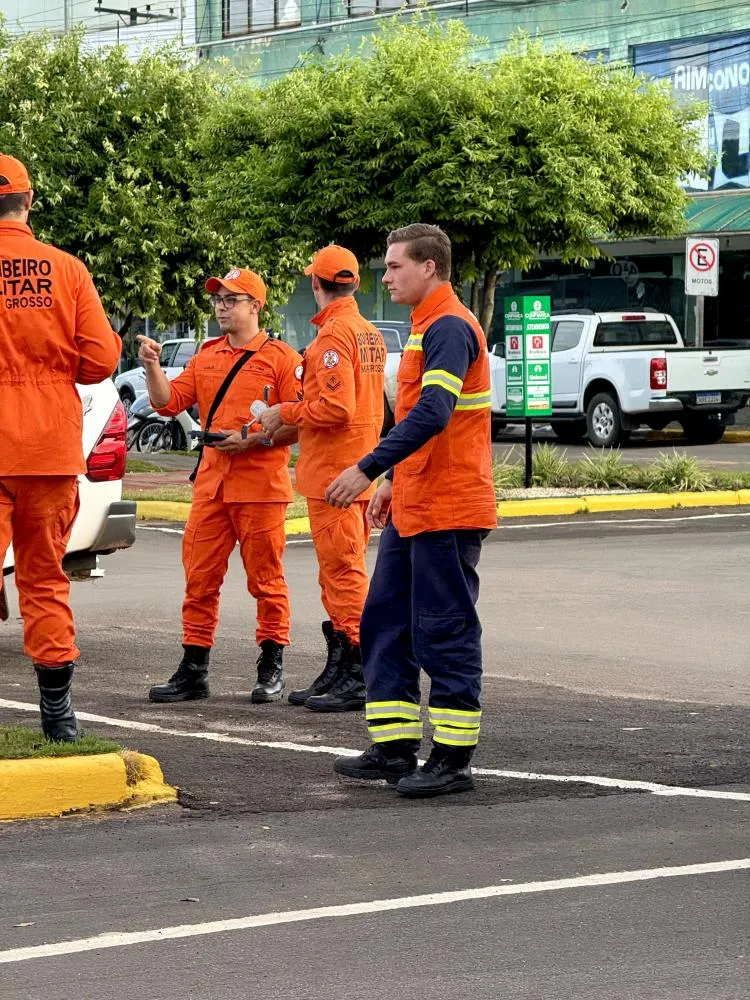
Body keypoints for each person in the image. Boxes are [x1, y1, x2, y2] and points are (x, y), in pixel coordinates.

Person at [325, 224, 497, 798]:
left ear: (429, 268)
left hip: (448, 507)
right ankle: (394, 747)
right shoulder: (427, 326)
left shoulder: (449, 327)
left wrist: (369, 467)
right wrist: (394, 481)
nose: (387, 276)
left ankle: (452, 760)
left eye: (396, 266)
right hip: (417, 503)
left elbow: (435, 412)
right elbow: (417, 417)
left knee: (443, 629)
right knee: (385, 622)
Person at [0, 152, 121, 741]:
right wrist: (51, 370)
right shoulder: (67, 270)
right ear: (28, 202)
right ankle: (58, 716)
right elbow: (100, 358)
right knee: (44, 578)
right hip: (49, 445)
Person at [144, 268, 302, 705]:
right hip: (211, 487)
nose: (221, 306)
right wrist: (152, 366)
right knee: (199, 580)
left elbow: (300, 422)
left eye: (232, 299)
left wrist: (253, 438)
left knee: (266, 581)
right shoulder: (206, 355)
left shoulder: (281, 358)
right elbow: (166, 402)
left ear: (256, 306)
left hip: (260, 488)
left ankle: (271, 665)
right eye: (218, 299)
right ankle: (194, 669)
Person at [259, 245, 386, 712]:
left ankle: (357, 671)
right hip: (355, 469)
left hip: (335, 476)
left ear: (316, 284)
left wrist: (285, 412)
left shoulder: (334, 335)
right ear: (355, 283)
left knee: (343, 574)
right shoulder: (369, 332)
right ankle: (343, 665)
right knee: (339, 573)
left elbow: (337, 407)